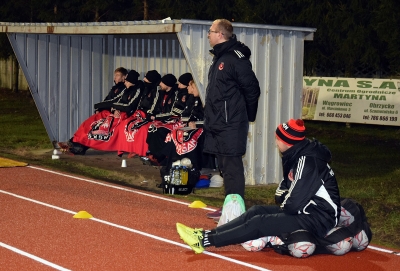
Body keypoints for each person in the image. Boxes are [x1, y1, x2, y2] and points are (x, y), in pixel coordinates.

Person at [176, 119, 341, 254]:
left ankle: (203, 241)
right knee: (256, 211)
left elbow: (293, 203)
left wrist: (287, 199)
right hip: (305, 210)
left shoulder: (307, 162)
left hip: (320, 218)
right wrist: (287, 198)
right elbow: (283, 191)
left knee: (259, 222)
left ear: (287, 142)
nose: (276, 142)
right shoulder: (296, 156)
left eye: (277, 138)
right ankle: (205, 234)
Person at [203, 19, 261, 219]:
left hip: (231, 124)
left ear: (220, 34)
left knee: (232, 168)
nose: (208, 35)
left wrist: (247, 115)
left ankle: (235, 213)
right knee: (224, 168)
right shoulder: (219, 58)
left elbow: (252, 89)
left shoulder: (235, 59)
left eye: (210, 31)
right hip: (219, 123)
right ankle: (229, 206)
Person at [59, 69, 144, 154]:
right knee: (90, 122)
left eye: (118, 75)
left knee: (99, 126)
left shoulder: (135, 90)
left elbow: (128, 106)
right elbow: (114, 101)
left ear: (125, 78)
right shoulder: (122, 89)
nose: (115, 77)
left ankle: (78, 146)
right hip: (113, 112)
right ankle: (74, 142)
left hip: (124, 116)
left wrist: (112, 108)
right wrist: (103, 108)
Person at [117, 70, 162, 158]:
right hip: (139, 113)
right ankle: (130, 148)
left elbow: (155, 105)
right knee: (124, 124)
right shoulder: (144, 88)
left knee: (142, 129)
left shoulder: (157, 90)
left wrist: (148, 115)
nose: (144, 79)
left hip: (148, 115)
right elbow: (139, 102)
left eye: (146, 78)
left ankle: (141, 150)